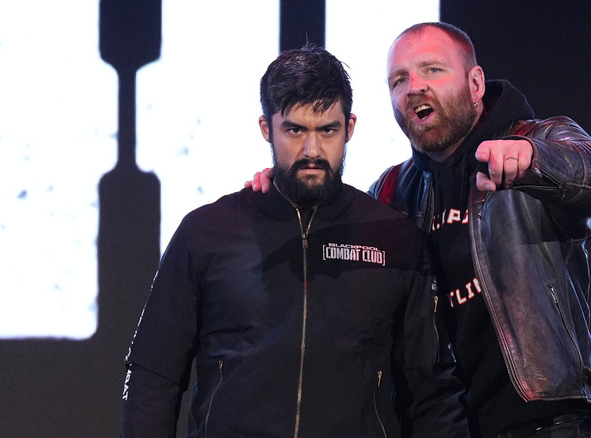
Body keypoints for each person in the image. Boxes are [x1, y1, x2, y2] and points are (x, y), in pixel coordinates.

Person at [250, 22, 591, 438]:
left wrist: (535, 160)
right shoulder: (393, 191)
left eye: (432, 70)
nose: (413, 87)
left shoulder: (535, 139)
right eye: (399, 79)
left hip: (543, 422)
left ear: (475, 83)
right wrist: (287, 190)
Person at [120, 45, 468, 438]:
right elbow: (154, 376)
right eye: (295, 130)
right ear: (267, 128)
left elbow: (431, 393)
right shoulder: (207, 233)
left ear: (349, 127)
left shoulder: (395, 239)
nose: (312, 151)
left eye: (327, 130)